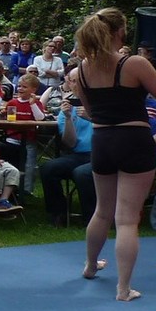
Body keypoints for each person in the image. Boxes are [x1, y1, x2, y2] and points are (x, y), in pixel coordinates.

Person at [66, 8, 156, 300]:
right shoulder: (135, 63)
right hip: (134, 139)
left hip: (103, 140)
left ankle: (90, 266)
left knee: (102, 211)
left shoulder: (82, 70)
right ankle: (123, 288)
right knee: (126, 219)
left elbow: (91, 112)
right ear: (120, 32)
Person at [42, 92, 96, 227]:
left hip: (102, 153)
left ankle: (91, 218)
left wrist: (91, 118)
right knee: (48, 168)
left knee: (81, 173)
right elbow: (70, 143)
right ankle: (59, 213)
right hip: (79, 154)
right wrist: (67, 118)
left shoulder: (103, 105)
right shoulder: (66, 111)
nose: (75, 85)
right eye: (71, 82)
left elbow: (113, 131)